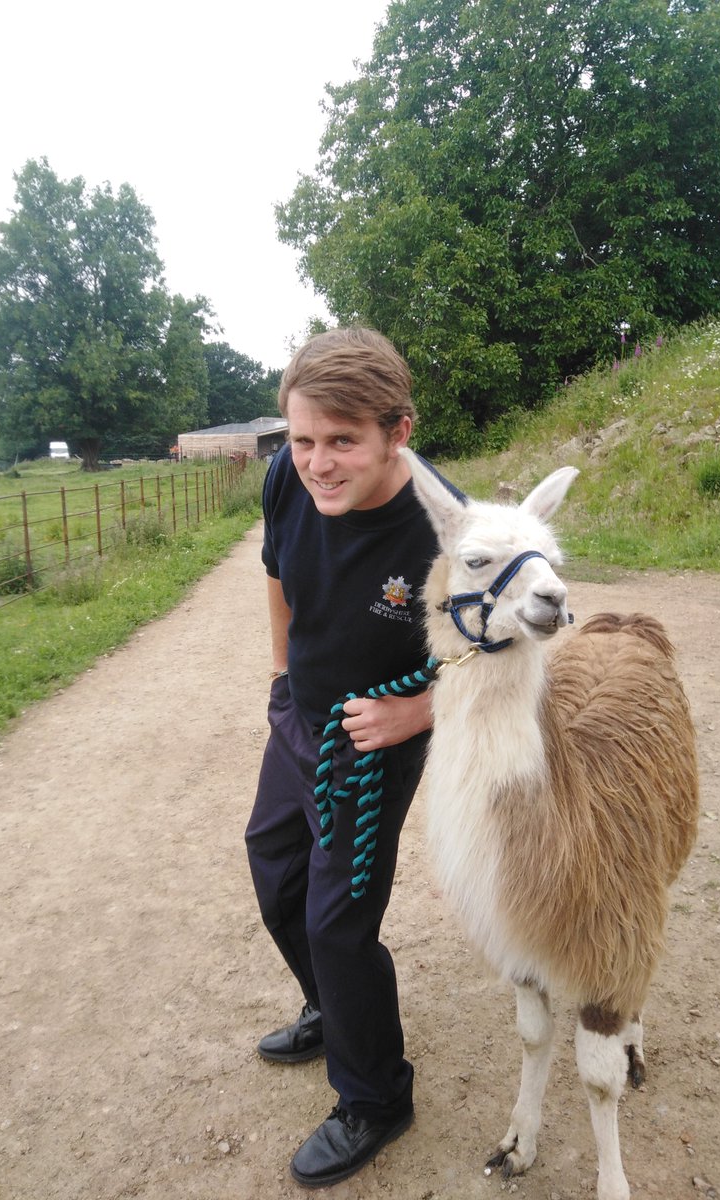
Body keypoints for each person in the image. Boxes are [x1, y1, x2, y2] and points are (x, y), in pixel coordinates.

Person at [245, 327, 459, 1188]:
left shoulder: (448, 527)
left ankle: (375, 1096)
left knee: (340, 921)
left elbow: (517, 654)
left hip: (376, 741)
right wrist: (280, 674)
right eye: (303, 440)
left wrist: (417, 712)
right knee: (274, 869)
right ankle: (332, 1007)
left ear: (396, 431)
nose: (318, 463)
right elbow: (275, 573)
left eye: (344, 441)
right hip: (302, 714)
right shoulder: (284, 481)